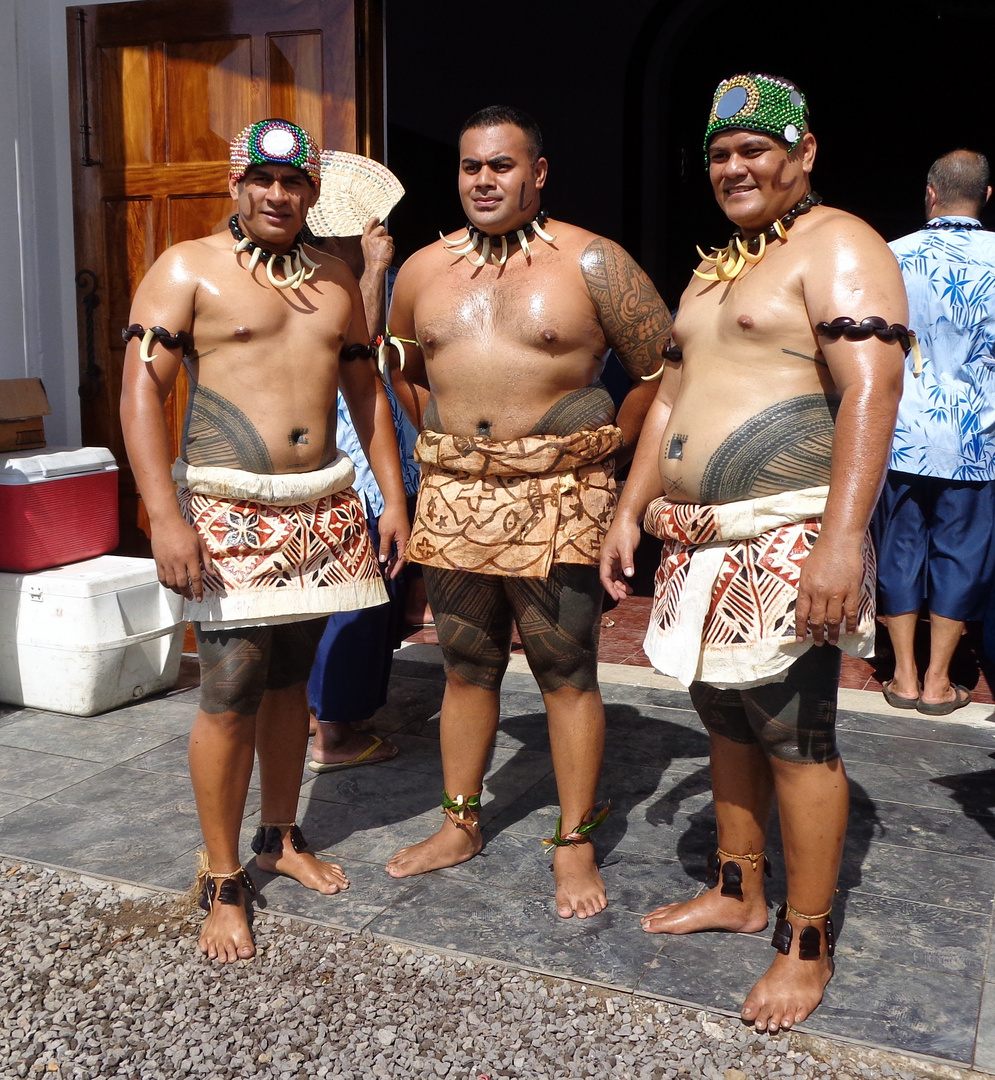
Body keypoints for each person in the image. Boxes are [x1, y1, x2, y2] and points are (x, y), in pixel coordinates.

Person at [600, 73, 908, 1030]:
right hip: (696, 541)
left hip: (788, 531)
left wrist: (840, 542)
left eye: (754, 150)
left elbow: (871, 391)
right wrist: (628, 504)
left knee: (793, 731)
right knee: (722, 717)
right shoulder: (714, 268)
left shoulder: (840, 243)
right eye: (719, 155)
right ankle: (737, 891)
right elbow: (674, 401)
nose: (734, 168)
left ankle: (804, 942)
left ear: (802, 153)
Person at [119, 118, 409, 963]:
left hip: (321, 505)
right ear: (236, 185)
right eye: (263, 181)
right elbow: (143, 395)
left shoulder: (334, 279)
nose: (279, 196)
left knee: (292, 680)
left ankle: (279, 835)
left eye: (295, 184)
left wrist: (388, 498)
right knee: (232, 685)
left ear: (314, 192)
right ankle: (220, 876)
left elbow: (365, 394)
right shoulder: (185, 269)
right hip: (227, 505)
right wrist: (162, 515)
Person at [383, 105, 672, 919]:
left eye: (501, 166)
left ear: (536, 173)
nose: (483, 180)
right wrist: (445, 444)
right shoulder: (420, 270)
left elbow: (661, 367)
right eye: (471, 166)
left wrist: (604, 445)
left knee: (564, 667)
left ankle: (574, 841)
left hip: (561, 493)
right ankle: (459, 821)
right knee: (465, 664)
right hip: (454, 490)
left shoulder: (592, 261)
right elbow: (404, 369)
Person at [873, 150, 995, 715]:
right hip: (977, 437)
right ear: (987, 196)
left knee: (899, 546)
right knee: (962, 552)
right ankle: (939, 681)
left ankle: (901, 674)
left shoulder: (887, 257)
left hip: (901, 433)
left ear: (930, 193)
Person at [306, 214, 420, 770]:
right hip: (352, 476)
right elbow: (360, 349)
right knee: (357, 605)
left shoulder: (385, 281)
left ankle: (333, 715)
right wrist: (373, 267)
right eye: (357, 234)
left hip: (383, 474)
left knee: (376, 600)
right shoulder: (323, 288)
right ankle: (332, 735)